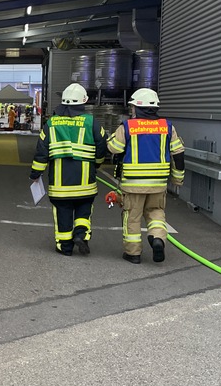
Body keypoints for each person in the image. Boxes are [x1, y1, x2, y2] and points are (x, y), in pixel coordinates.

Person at [107, 87, 185, 264]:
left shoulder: (128, 126)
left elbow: (114, 148)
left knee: (132, 218)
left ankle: (133, 253)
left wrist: (110, 138)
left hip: (132, 185)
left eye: (133, 107)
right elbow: (178, 154)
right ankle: (157, 238)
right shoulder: (167, 127)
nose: (131, 110)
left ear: (138, 108)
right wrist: (178, 178)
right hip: (158, 185)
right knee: (156, 213)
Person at [29, 83, 107, 256]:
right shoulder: (91, 122)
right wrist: (98, 163)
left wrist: (35, 174)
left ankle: (65, 247)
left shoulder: (51, 123)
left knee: (63, 212)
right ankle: (81, 234)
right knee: (84, 210)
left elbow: (41, 151)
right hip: (86, 182)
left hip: (60, 185)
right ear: (84, 101)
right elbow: (102, 144)